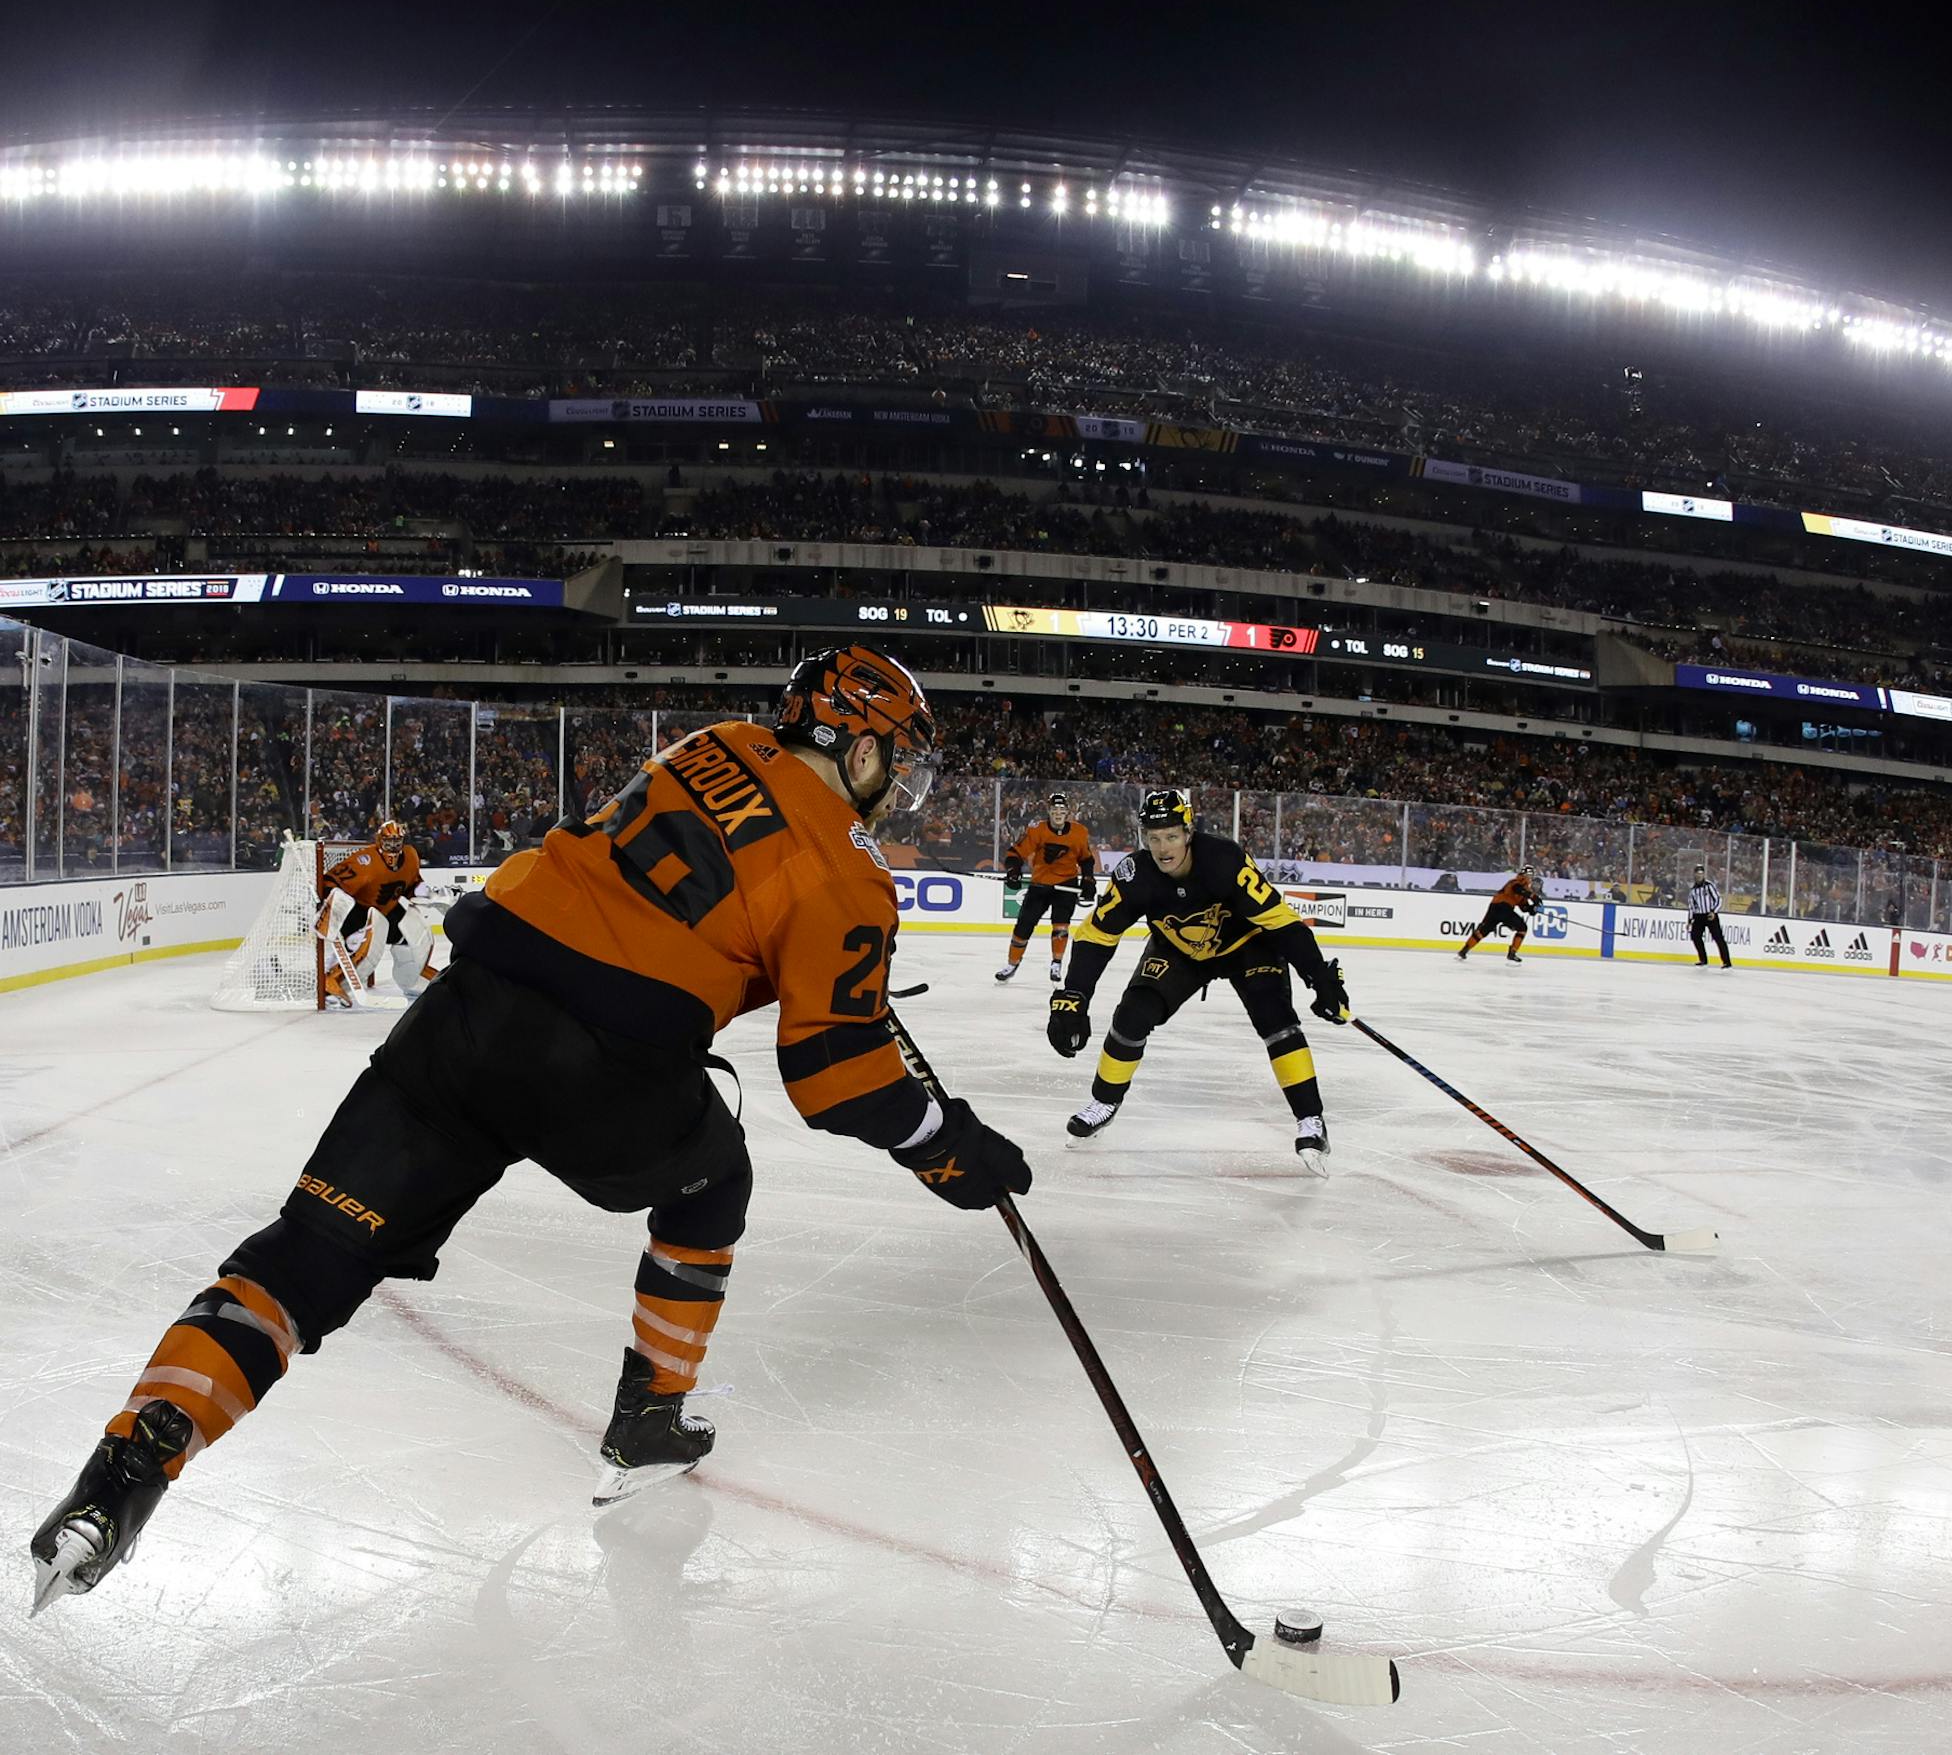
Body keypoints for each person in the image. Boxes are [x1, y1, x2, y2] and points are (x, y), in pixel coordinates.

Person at [30, 645, 1034, 1615]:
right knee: (711, 1176)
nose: (897, 782)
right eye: (895, 756)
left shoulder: (713, 742)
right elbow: (836, 1075)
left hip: (472, 1005)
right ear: (860, 746)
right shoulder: (850, 868)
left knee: (302, 1260)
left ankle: (122, 1472)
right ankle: (646, 1420)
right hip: (604, 1063)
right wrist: (948, 1144)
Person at [1045, 789, 1349, 1173]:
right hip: (1179, 949)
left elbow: (1281, 922)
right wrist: (1074, 995)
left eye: (1171, 836)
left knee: (1276, 1020)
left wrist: (1318, 976)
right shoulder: (1135, 874)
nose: (1162, 847)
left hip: (1246, 944)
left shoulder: (1224, 860)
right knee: (1133, 1015)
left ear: (1188, 833)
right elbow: (1096, 936)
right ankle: (1104, 1101)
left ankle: (1312, 1121)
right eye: (1153, 838)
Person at [320, 821, 437, 1006]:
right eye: (388, 842)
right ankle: (331, 979)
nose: (393, 847)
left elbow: (411, 886)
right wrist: (330, 901)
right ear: (379, 840)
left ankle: (413, 978)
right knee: (364, 946)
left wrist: (428, 892)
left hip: (387, 909)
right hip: (358, 911)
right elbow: (330, 881)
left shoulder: (410, 856)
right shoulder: (365, 861)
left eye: (397, 842)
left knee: (413, 936)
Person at [997, 791, 1097, 984]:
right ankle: (1012, 963)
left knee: (1061, 925)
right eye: (1054, 809)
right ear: (1049, 812)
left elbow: (1086, 860)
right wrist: (1013, 871)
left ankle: (1056, 963)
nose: (1058, 813)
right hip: (1040, 885)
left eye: (1061, 809)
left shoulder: (1079, 832)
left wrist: (1088, 881)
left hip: (1066, 885)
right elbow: (1016, 853)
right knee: (1023, 926)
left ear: (1067, 811)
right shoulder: (1037, 830)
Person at [1458, 864, 1542, 964]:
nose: (1530, 878)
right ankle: (1512, 952)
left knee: (1483, 931)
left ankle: (1464, 951)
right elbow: (1518, 889)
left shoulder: (1525, 890)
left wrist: (1532, 909)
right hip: (1503, 907)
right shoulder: (1515, 882)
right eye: (1529, 875)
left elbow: (1524, 907)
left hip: (1495, 908)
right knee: (1522, 928)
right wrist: (1533, 896)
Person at [1687, 864, 1732, 969]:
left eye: (1701, 874)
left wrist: (1713, 912)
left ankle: (1727, 961)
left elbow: (1718, 899)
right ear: (1694, 874)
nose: (1699, 876)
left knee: (1718, 937)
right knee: (1695, 936)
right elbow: (1691, 906)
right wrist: (1689, 920)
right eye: (1697, 874)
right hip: (1698, 916)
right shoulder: (1693, 890)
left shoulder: (1709, 885)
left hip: (1710, 915)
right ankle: (1703, 959)